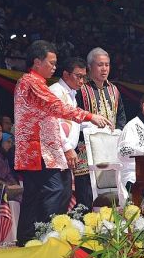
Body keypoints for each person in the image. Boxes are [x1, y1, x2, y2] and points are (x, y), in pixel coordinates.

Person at [14, 40, 111, 246]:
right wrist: (88, 116)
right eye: (51, 62)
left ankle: (26, 238)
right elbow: (56, 107)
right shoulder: (31, 82)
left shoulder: (36, 83)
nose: (54, 67)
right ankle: (47, 235)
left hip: (37, 148)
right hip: (37, 148)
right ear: (37, 62)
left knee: (35, 193)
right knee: (55, 190)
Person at [75, 47, 126, 209]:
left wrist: (117, 135)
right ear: (90, 67)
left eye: (107, 65)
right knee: (87, 197)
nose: (104, 69)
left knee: (111, 194)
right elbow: (74, 118)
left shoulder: (114, 89)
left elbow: (121, 118)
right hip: (86, 152)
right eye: (100, 65)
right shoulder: (80, 90)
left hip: (110, 151)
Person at [49, 57, 88, 207]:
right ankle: (47, 230)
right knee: (56, 196)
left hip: (64, 154)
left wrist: (99, 126)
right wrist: (67, 148)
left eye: (84, 77)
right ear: (66, 75)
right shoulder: (55, 91)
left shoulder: (70, 94)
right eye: (78, 76)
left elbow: (75, 123)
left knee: (63, 196)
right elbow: (53, 123)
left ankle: (56, 230)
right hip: (55, 152)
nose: (82, 81)